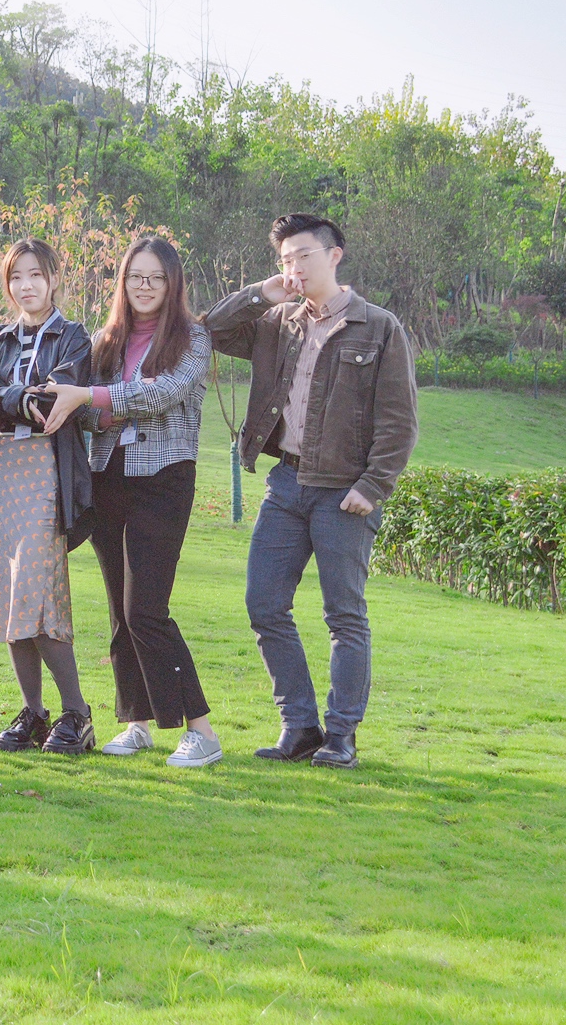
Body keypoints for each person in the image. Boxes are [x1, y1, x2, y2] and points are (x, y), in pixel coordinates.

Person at [205, 213, 418, 770]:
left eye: (303, 255)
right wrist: (261, 293)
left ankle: (341, 736)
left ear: (334, 255)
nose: (294, 267)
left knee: (343, 615)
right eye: (285, 259)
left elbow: (399, 421)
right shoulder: (278, 322)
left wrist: (373, 485)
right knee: (264, 604)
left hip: (344, 491)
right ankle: (299, 727)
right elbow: (212, 330)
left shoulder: (379, 327)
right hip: (286, 483)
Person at [0, 238, 99, 757]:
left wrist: (5, 396)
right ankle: (34, 714)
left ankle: (77, 713)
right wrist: (14, 397)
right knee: (8, 594)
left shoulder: (75, 337)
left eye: (36, 274)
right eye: (16, 277)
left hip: (45, 473)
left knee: (35, 591)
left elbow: (54, 397)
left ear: (54, 278)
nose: (26, 286)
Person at [83, 235, 220, 768]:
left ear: (172, 283)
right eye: (135, 277)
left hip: (163, 481)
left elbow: (164, 394)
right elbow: (84, 412)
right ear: (123, 282)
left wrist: (100, 401)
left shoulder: (193, 338)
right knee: (120, 611)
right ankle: (136, 722)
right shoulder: (105, 340)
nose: (144, 286)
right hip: (107, 478)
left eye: (155, 278)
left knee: (146, 610)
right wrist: (106, 405)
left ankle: (201, 732)